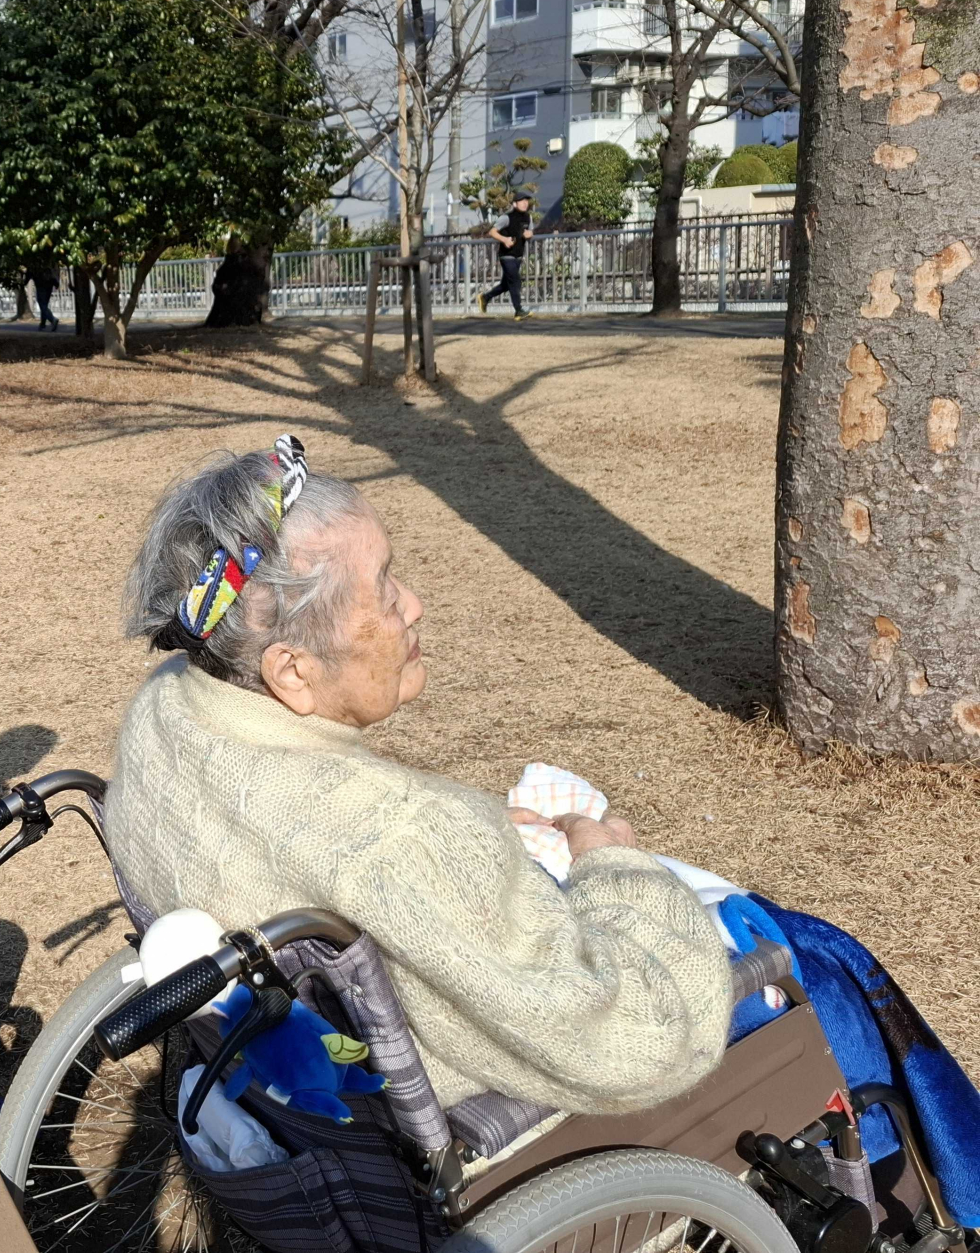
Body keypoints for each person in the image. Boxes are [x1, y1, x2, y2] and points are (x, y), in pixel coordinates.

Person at [107, 439, 733, 1117]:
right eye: (383, 589)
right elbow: (639, 1044)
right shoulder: (404, 836)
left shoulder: (164, 708)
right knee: (798, 967)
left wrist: (477, 846)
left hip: (279, 1073)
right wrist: (613, 865)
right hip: (437, 1125)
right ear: (293, 671)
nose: (415, 604)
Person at [480, 193, 534, 318]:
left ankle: (485, 297)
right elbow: (492, 232)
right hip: (506, 255)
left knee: (506, 285)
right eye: (522, 201)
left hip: (518, 255)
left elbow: (530, 232)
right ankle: (518, 310)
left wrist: (529, 234)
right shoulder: (506, 217)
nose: (525, 203)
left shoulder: (528, 217)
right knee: (515, 281)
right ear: (514, 203)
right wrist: (504, 239)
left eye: (526, 201)